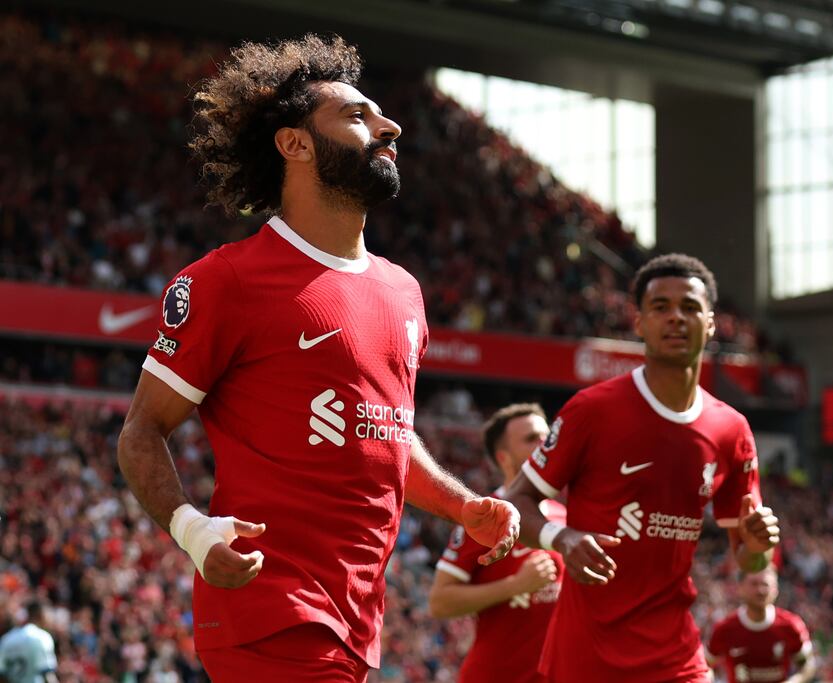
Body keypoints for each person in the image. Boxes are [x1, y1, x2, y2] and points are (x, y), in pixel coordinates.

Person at [116, 34, 518, 683]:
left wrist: (462, 503)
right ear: (295, 144)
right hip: (270, 609)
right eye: (357, 115)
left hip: (360, 616)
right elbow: (140, 430)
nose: (389, 126)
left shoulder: (403, 290)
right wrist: (194, 531)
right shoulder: (228, 282)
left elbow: (385, 435)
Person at [506, 253, 781, 683]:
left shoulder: (732, 430)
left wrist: (759, 545)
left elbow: (748, 559)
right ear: (639, 324)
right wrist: (562, 538)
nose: (675, 317)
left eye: (690, 307)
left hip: (676, 656)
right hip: (587, 654)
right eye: (660, 307)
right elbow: (515, 500)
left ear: (711, 323)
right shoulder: (592, 410)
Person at [428, 403, 565, 683]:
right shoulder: (486, 517)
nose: (543, 444)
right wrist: (515, 586)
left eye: (546, 436)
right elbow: (440, 602)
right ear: (504, 458)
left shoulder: (566, 516)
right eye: (530, 439)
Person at [706, 567, 815, 683]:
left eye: (765, 584)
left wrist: (794, 681)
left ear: (776, 590)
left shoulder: (791, 626)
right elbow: (705, 665)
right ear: (740, 588)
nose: (760, 590)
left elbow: (807, 665)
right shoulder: (724, 629)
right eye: (754, 584)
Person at [0, 601, 58, 683]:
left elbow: (2, 673)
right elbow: (47, 674)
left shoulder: (6, 639)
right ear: (40, 614)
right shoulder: (41, 637)